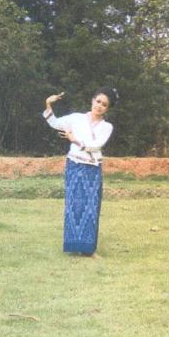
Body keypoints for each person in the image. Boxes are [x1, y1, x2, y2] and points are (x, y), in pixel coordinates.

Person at [43, 87, 117, 258]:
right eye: (98, 101)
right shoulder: (76, 118)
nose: (99, 106)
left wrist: (75, 140)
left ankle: (88, 250)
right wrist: (48, 104)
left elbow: (96, 145)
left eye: (104, 104)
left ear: (107, 108)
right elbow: (55, 123)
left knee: (90, 208)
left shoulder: (107, 127)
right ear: (92, 100)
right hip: (74, 166)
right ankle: (73, 246)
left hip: (92, 169)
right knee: (73, 206)